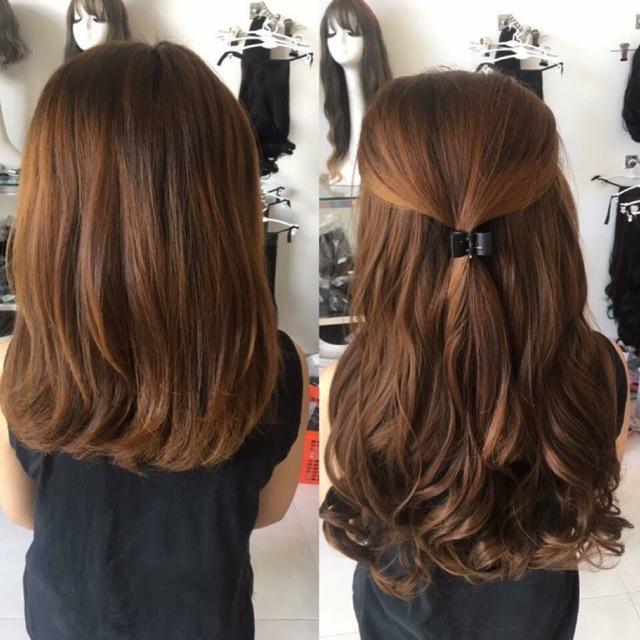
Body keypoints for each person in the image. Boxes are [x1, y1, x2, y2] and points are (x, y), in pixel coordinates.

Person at [0, 41, 308, 640]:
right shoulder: (273, 364)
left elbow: (21, 510)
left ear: (54, 206)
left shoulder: (21, 361)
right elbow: (267, 512)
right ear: (226, 201)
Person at [319, 69, 632, 640]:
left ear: (385, 223)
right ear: (549, 213)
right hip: (536, 620)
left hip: (398, 620)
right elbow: (587, 493)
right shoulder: (600, 369)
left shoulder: (349, 382)